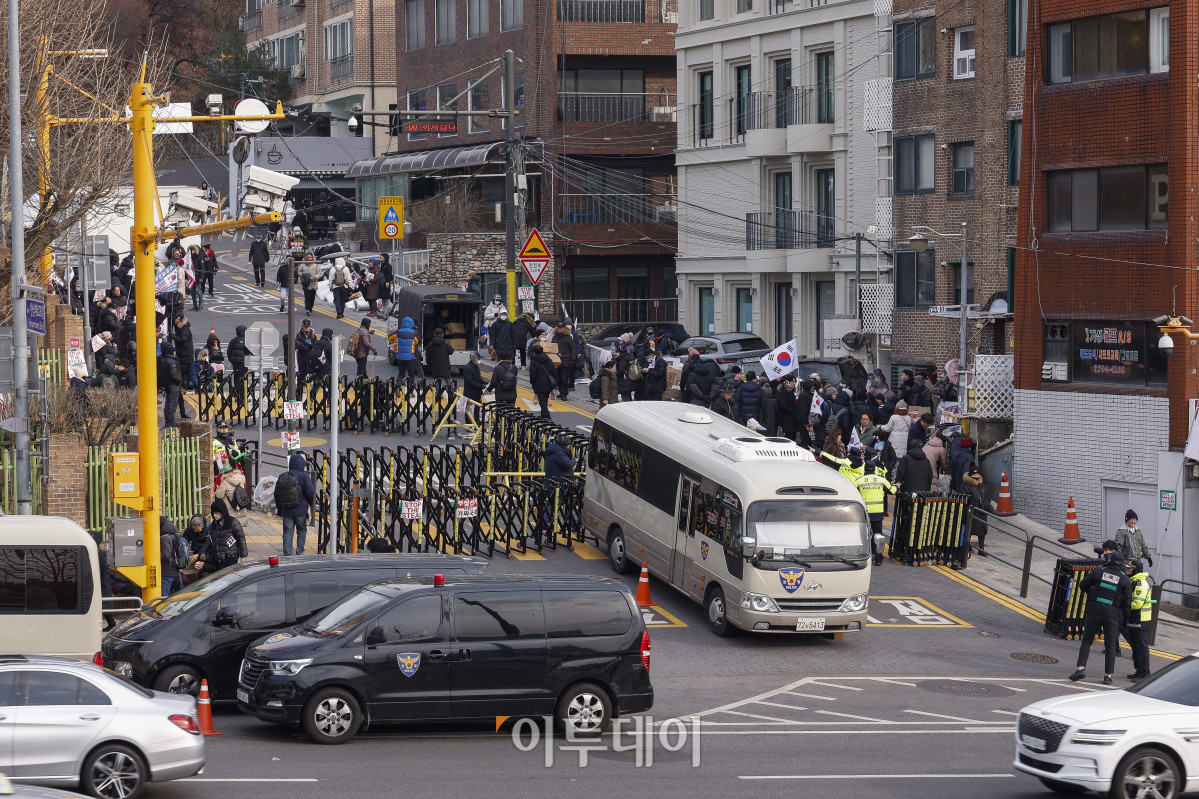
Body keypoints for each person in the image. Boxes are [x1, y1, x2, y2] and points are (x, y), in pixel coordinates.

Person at [1070, 550, 1133, 685]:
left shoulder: (1099, 571)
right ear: (1121, 564)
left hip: (1094, 610)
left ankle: (1080, 669)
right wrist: (1127, 620)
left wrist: (1092, 595)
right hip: (1111, 614)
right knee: (1110, 645)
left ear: (1110, 560)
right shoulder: (1124, 579)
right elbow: (1127, 603)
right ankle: (1108, 676)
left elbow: (1082, 585)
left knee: (1087, 641)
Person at [274, 452, 316, 556]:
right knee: (301, 529)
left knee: (287, 532)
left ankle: (287, 555)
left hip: (286, 510)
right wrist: (309, 503)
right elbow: (310, 491)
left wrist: (280, 509)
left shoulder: (282, 476)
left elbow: (276, 494)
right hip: (301, 509)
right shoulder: (304, 476)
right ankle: (299, 550)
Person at [195, 498, 247, 576]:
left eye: (217, 512)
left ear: (222, 512)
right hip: (218, 558)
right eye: (213, 513)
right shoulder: (214, 524)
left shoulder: (233, 523)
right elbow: (210, 540)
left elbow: (241, 539)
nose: (215, 515)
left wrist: (243, 555)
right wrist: (202, 553)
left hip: (230, 557)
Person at [852, 461, 896, 542]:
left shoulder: (859, 481)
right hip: (877, 512)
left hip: (864, 512)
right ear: (875, 469)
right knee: (877, 534)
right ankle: (878, 553)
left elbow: (852, 494)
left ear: (864, 468)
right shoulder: (882, 480)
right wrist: (896, 486)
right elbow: (892, 491)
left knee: (864, 534)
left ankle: (864, 552)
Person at [1125, 559, 1154, 681]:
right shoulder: (1133, 582)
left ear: (1135, 570)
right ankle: (1138, 671)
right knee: (1136, 647)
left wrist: (1124, 603)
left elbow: (1137, 604)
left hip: (1141, 620)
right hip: (1134, 619)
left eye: (1129, 568)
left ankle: (1145, 673)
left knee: (1141, 647)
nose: (1127, 570)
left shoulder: (1140, 584)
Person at [961, 465, 990, 555]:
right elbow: (964, 498)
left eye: (977, 474)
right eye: (974, 474)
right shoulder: (965, 485)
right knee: (969, 530)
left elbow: (986, 494)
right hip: (972, 511)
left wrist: (986, 502)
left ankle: (981, 549)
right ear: (970, 475)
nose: (976, 475)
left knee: (982, 530)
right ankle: (968, 547)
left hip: (981, 511)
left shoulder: (981, 484)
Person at [158, 343, 183, 428]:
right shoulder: (172, 362)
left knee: (168, 402)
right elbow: (173, 374)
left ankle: (168, 420)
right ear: (173, 352)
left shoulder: (164, 360)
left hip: (167, 384)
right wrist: (180, 380)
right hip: (173, 385)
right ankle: (170, 421)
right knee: (172, 402)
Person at [528, 343, 556, 419]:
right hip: (548, 383)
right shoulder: (549, 360)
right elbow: (553, 371)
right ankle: (544, 415)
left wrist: (532, 382)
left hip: (539, 384)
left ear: (534, 353)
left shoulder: (534, 362)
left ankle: (547, 416)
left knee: (542, 401)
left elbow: (533, 374)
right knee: (545, 399)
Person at [159, 517, 184, 596]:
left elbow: (166, 554)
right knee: (178, 597)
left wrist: (154, 557)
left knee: (164, 597)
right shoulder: (174, 535)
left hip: (167, 572)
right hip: (176, 571)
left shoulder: (164, 538)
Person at [392, 316, 421, 382]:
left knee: (401, 374)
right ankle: (410, 389)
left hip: (400, 357)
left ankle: (397, 388)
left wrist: (395, 342)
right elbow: (416, 341)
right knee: (411, 374)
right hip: (410, 357)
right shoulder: (413, 333)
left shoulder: (398, 332)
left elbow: (389, 337)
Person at [552, 322, 575, 400]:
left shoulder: (568, 338)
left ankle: (564, 393)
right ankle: (561, 392)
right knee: (558, 377)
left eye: (561, 328)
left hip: (565, 360)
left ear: (564, 328)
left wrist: (572, 359)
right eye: (558, 328)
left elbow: (572, 349)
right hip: (556, 359)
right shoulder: (555, 337)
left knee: (564, 378)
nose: (560, 330)